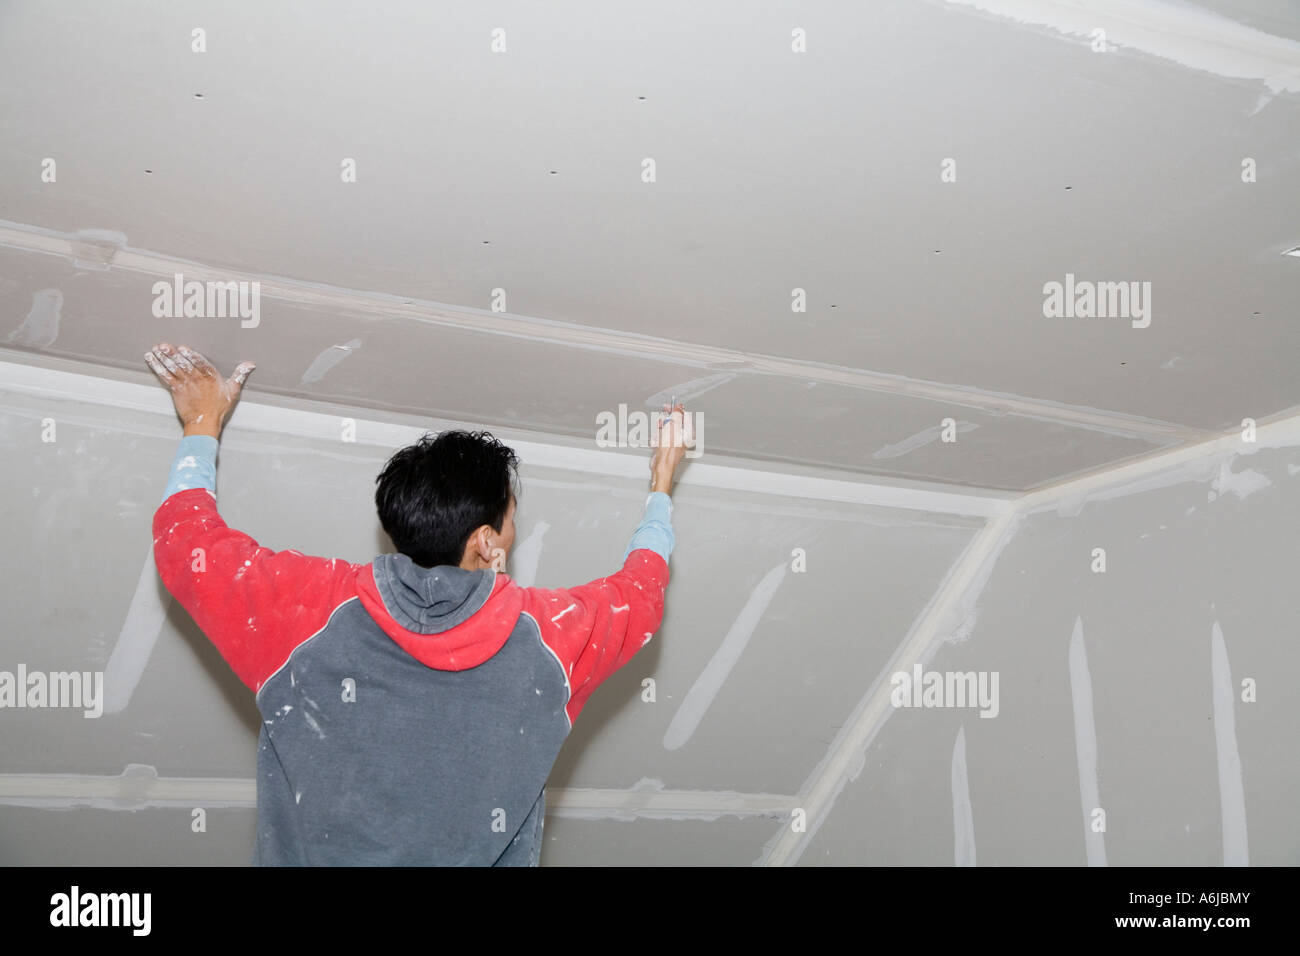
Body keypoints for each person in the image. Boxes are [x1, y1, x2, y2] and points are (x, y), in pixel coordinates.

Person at [144, 341, 687, 865]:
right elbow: (641, 591)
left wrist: (201, 424)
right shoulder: (554, 639)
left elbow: (186, 545)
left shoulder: (308, 612)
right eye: (510, 517)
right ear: (485, 541)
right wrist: (661, 486)